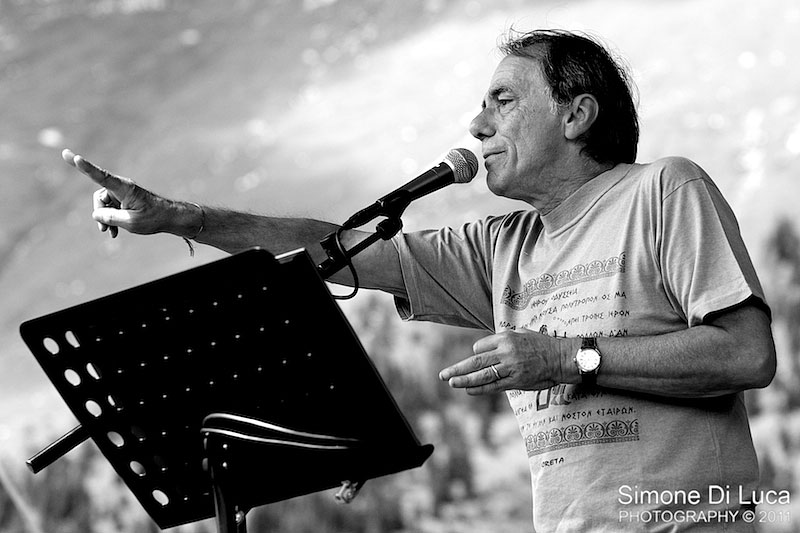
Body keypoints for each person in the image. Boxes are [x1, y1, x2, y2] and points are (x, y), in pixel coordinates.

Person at [63, 29, 776, 532]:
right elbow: (337, 249)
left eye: (502, 100)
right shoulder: (503, 246)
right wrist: (179, 217)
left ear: (577, 114)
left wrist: (568, 358)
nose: (476, 123)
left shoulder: (662, 190)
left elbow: (747, 354)